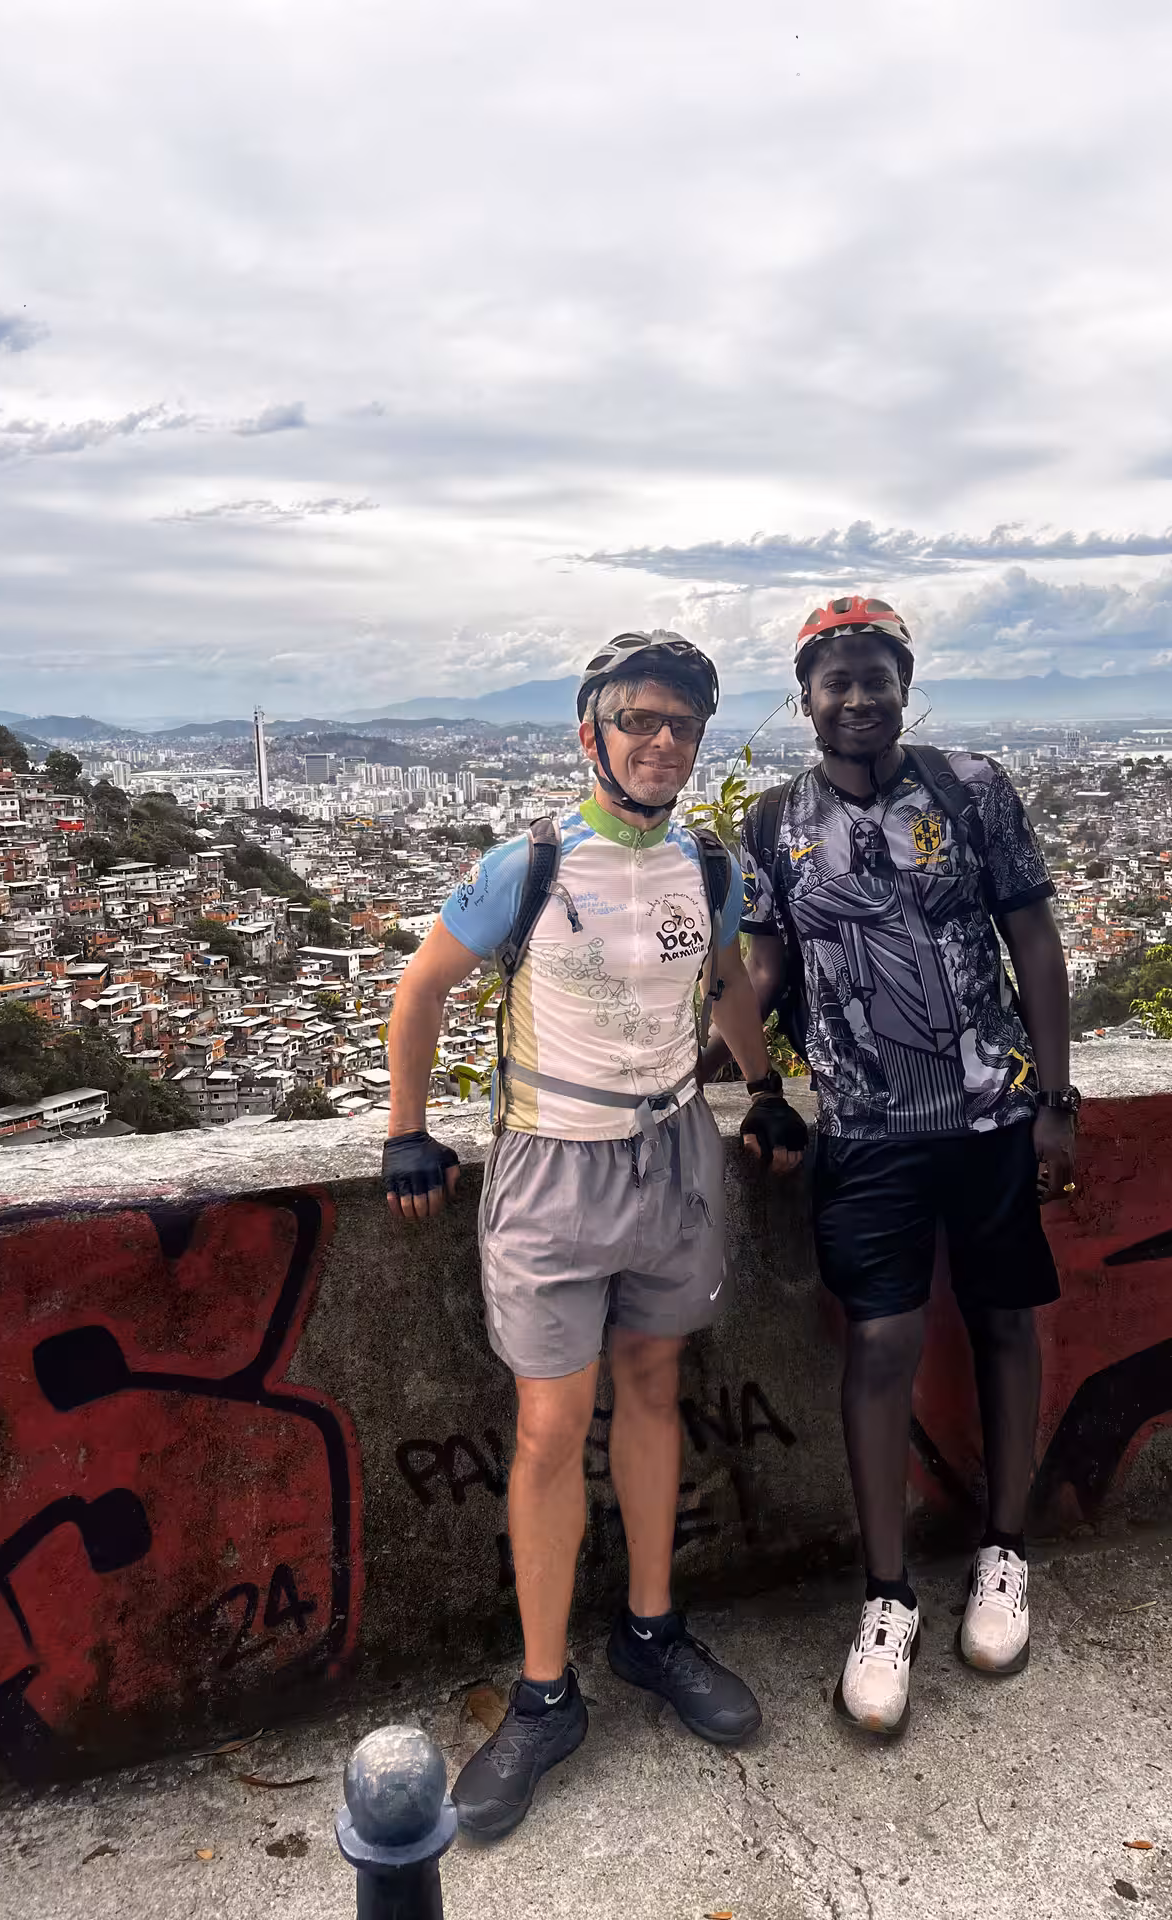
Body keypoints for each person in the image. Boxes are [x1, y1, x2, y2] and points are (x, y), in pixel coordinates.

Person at [383, 631, 808, 1839]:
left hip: (672, 1150)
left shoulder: (706, 864)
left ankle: (653, 1633)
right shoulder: (530, 862)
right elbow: (421, 989)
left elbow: (725, 981)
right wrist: (406, 1132)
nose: (662, 742)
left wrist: (762, 1085)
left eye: (682, 725)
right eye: (639, 721)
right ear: (592, 735)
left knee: (656, 1388)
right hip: (552, 1159)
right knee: (549, 1426)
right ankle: (542, 1689)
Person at [712, 595, 1077, 1736]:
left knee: (1005, 1319)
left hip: (993, 1117)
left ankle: (1005, 1553)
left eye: (878, 677)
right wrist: (736, 1075)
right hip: (866, 1132)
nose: (858, 698)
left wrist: (1056, 1101)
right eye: (837, 681)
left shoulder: (970, 791)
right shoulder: (774, 823)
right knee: (881, 1343)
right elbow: (765, 974)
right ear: (806, 695)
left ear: (904, 685)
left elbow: (1033, 939)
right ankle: (886, 1597)